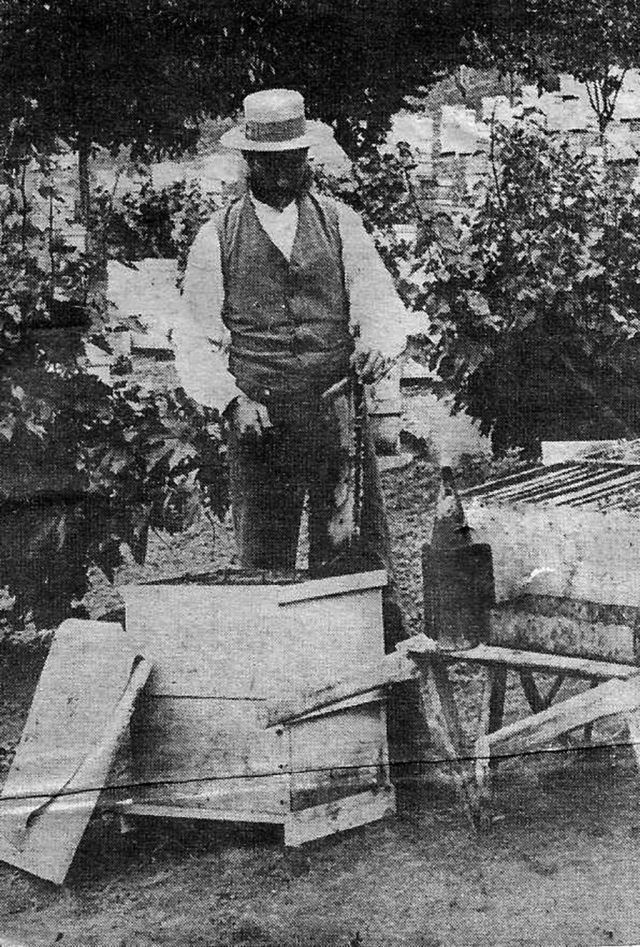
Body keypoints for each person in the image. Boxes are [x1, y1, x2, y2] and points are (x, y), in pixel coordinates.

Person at [173, 89, 408, 636]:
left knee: (356, 555)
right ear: (249, 162)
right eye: (270, 160)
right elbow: (194, 334)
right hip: (263, 422)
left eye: (293, 157)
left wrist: (376, 341)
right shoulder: (217, 237)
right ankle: (274, 691)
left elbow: (380, 302)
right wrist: (233, 400)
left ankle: (374, 691)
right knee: (263, 566)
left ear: (307, 159)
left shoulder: (340, 223)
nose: (283, 170)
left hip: (336, 415)